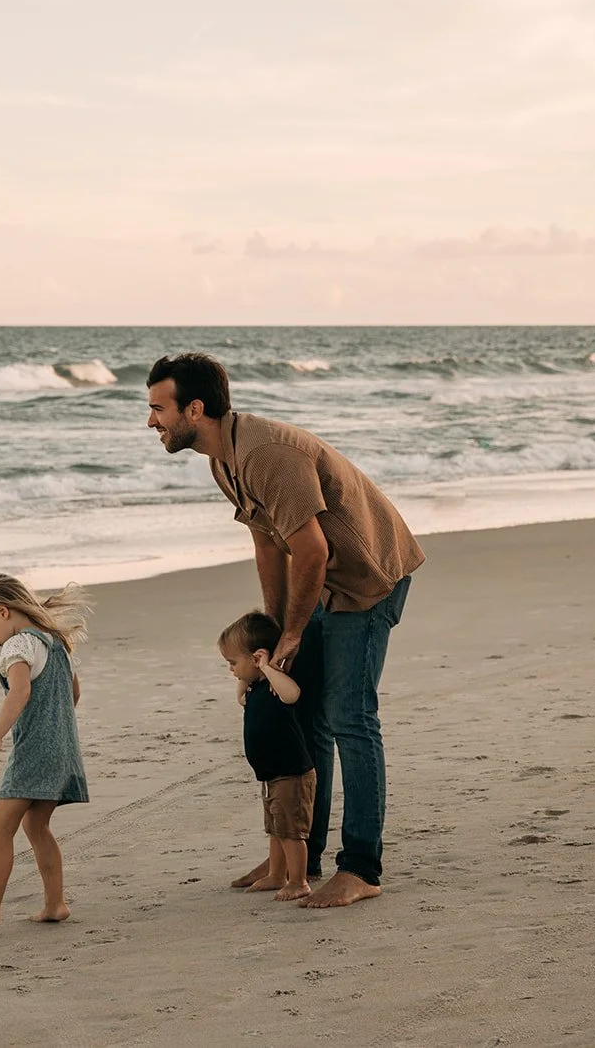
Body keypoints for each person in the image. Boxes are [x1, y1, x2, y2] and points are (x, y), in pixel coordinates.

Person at [147, 353, 425, 909]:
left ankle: (362, 867)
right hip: (320, 580)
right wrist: (272, 635)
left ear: (194, 409)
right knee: (308, 719)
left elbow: (313, 549)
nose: (151, 421)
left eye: (158, 409)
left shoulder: (266, 455)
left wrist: (295, 632)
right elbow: (268, 544)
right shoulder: (223, 458)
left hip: (366, 580)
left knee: (351, 718)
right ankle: (301, 857)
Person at [0, 573, 91, 927]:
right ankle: (55, 903)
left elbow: (20, 692)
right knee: (37, 827)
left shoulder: (17, 646)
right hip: (63, 750)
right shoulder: (57, 643)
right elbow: (73, 695)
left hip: (34, 753)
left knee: (0, 827)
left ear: (3, 611)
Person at [219, 611, 316, 902]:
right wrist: (248, 675)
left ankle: (298, 880)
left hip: (292, 773)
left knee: (291, 832)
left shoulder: (277, 685)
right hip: (271, 774)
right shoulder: (256, 688)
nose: (232, 670)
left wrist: (268, 668)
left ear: (258, 656)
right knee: (275, 829)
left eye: (233, 663)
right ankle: (276, 874)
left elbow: (293, 695)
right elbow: (240, 698)